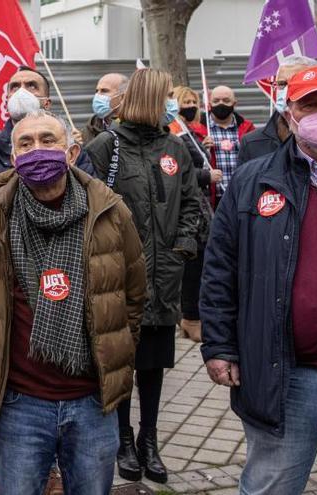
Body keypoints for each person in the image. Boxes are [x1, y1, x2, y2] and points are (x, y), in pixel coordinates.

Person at [201, 66, 317, 494]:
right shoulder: (253, 180)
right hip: (284, 377)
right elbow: (220, 269)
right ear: (289, 112)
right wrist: (219, 345)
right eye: (310, 105)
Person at [0, 109, 145, 495]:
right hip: (19, 403)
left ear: (71, 152)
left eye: (48, 140)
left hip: (92, 401)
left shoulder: (111, 212)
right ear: (13, 158)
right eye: (26, 143)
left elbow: (133, 295)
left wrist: (115, 351)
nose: (37, 149)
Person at [84, 68, 200, 484]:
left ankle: (149, 438)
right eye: (167, 95)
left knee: (152, 364)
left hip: (164, 277)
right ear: (150, 98)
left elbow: (192, 203)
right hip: (119, 277)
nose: (174, 102)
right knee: (121, 363)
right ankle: (123, 437)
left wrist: (182, 247)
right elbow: (89, 209)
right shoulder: (104, 146)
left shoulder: (176, 147)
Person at [171, 86, 221, 343]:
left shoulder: (189, 130)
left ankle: (193, 316)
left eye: (194, 101)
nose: (189, 105)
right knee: (192, 265)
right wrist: (205, 176)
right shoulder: (172, 131)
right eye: (183, 101)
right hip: (184, 210)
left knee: (199, 264)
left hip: (199, 209)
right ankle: (189, 318)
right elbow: (179, 172)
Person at [201, 85, 255, 199]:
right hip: (211, 198)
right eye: (216, 101)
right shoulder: (198, 130)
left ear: (235, 103)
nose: (221, 104)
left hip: (242, 196)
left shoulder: (248, 129)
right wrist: (201, 150)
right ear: (209, 103)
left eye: (226, 100)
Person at [83, 72, 129, 144]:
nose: (97, 95)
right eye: (96, 91)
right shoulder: (92, 124)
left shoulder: (133, 124)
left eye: (104, 91)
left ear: (122, 97)